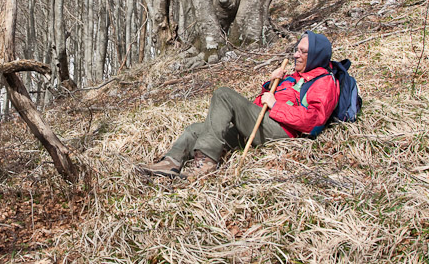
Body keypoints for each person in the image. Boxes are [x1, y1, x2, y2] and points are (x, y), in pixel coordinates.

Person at [138, 31, 340, 180]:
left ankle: (206, 161)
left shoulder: (324, 82)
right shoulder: (293, 77)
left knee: (224, 95)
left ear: (316, 55)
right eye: (296, 50)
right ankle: (171, 162)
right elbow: (258, 106)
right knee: (196, 130)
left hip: (283, 132)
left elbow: (313, 121)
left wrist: (275, 105)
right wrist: (270, 86)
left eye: (303, 52)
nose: (296, 55)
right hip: (268, 123)